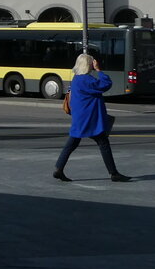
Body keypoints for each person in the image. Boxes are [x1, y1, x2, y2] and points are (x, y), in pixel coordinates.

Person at [54, 52, 132, 182]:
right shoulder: (87, 79)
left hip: (79, 117)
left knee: (71, 143)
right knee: (103, 142)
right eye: (91, 63)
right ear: (88, 65)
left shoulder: (76, 79)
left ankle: (58, 168)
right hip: (90, 118)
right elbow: (106, 84)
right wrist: (99, 70)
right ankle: (114, 173)